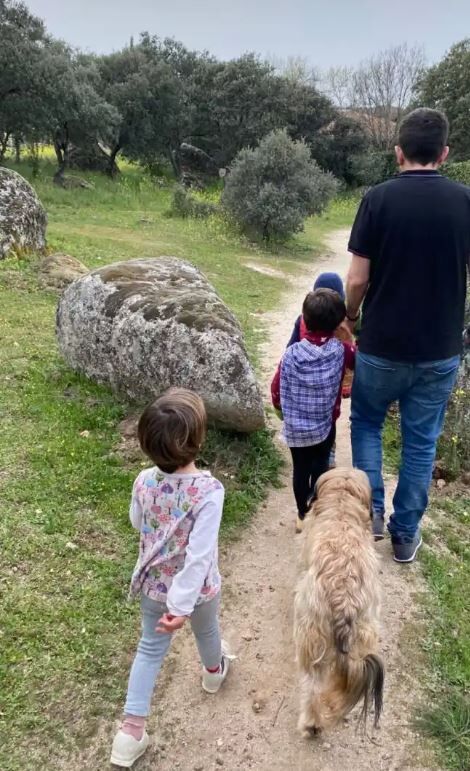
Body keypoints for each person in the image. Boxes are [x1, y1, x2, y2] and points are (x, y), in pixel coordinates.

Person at [346, 107, 470, 564]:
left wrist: (351, 316)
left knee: (367, 424)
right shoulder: (465, 201)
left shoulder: (377, 199)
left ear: (398, 152)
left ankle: (369, 513)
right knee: (421, 442)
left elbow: (357, 278)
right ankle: (404, 536)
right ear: (445, 153)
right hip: (439, 351)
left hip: (381, 346)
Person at [110, 388, 231, 768]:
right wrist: (181, 605)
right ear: (198, 439)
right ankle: (214, 673)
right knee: (207, 632)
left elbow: (137, 522)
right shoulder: (208, 492)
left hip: (151, 585)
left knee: (148, 650)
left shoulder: (143, 480)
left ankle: (130, 734)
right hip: (198, 592)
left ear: (147, 443)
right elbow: (198, 557)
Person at [273, 288, 355, 533]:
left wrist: (280, 408)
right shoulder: (341, 351)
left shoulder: (291, 354)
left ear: (304, 320)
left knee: (300, 469)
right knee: (320, 466)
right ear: (337, 323)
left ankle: (301, 514)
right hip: (323, 426)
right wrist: (348, 338)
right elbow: (355, 361)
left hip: (296, 429)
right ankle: (316, 506)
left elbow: (277, 386)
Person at [279, 272, 354, 468]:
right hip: (329, 390)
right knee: (329, 420)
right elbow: (354, 358)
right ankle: (328, 452)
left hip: (304, 387)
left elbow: (290, 347)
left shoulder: (302, 321)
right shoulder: (343, 331)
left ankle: (318, 452)